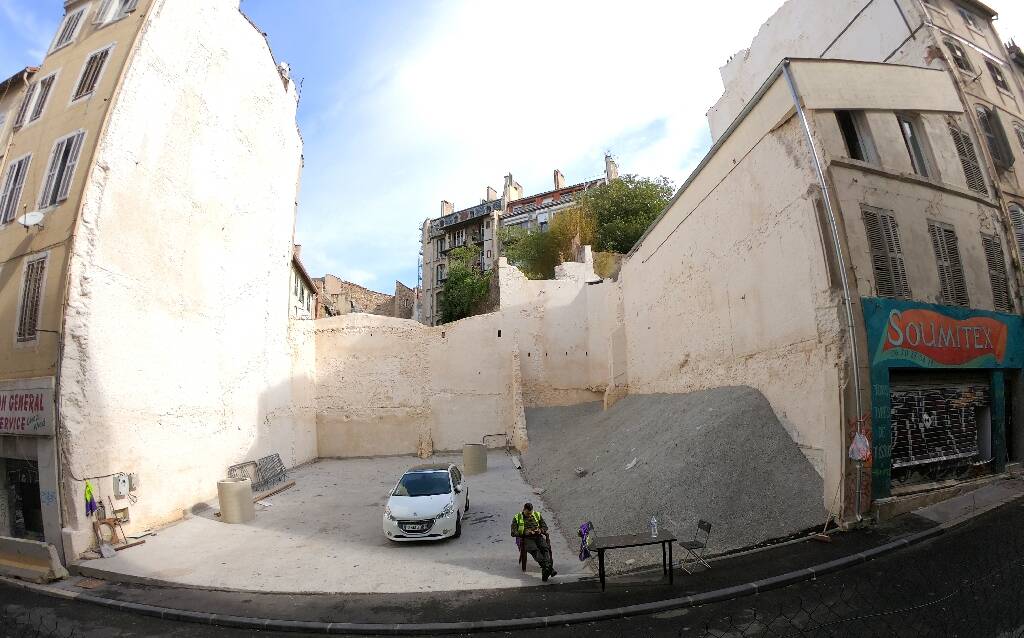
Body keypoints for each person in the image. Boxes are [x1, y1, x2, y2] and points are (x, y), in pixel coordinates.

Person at [511, 502, 557, 581]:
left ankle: (546, 569)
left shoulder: (536, 514)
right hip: (526, 538)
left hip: (537, 536)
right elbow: (513, 533)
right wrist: (525, 532)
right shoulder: (517, 517)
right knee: (535, 550)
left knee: (545, 548)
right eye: (528, 513)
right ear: (524, 509)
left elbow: (545, 526)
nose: (529, 515)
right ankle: (549, 568)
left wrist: (540, 530)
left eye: (530, 513)